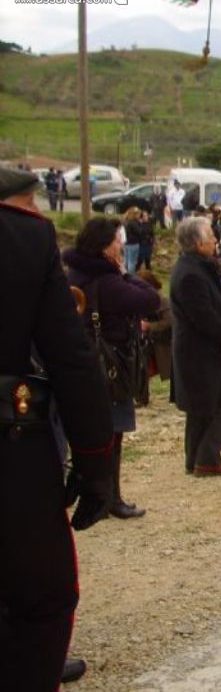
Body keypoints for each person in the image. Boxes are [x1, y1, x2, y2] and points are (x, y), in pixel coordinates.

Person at [0, 166, 114, 691]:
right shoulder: (24, 238)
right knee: (40, 597)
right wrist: (95, 462)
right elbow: (71, 359)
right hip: (12, 451)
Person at [65, 217, 160, 520]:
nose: (122, 245)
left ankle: (95, 494)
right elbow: (150, 300)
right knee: (111, 436)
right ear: (106, 248)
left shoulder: (75, 273)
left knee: (92, 435)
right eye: (117, 241)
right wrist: (124, 273)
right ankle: (109, 498)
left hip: (81, 362)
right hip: (110, 365)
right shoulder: (108, 281)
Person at [169, 216, 221, 476]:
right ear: (198, 243)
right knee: (214, 404)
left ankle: (196, 458)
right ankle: (207, 459)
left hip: (201, 350)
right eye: (210, 235)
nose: (215, 239)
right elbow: (205, 318)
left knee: (203, 406)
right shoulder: (190, 275)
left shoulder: (196, 268)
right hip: (197, 352)